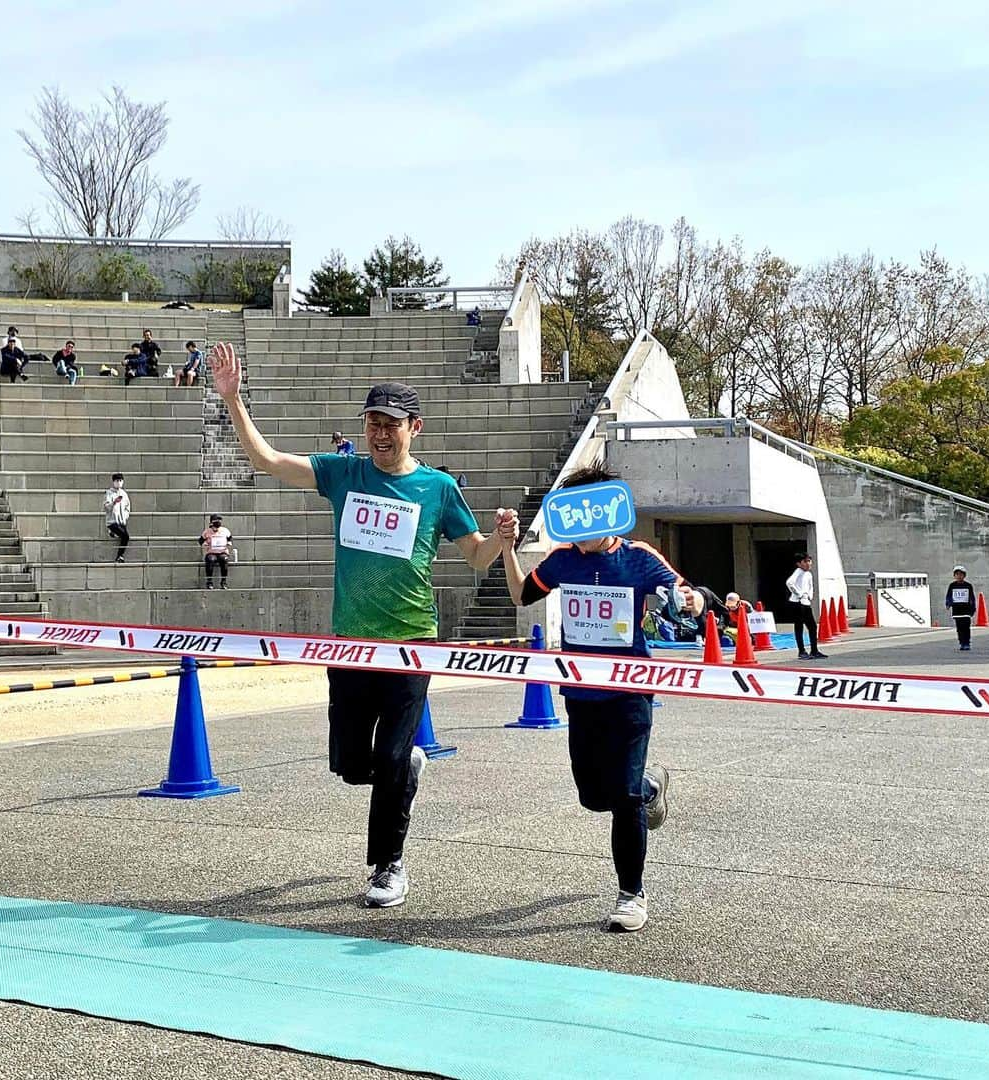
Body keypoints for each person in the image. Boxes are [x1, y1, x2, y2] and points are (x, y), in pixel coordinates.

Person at [211, 343, 513, 909]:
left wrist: (501, 539)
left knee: (393, 756)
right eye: (373, 423)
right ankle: (405, 773)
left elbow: (474, 555)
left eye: (391, 425)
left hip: (411, 644)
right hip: (350, 643)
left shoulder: (438, 488)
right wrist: (233, 400)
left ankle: (387, 867)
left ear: (414, 428)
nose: (380, 434)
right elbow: (268, 461)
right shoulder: (343, 474)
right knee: (351, 764)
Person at [498, 465, 682, 933]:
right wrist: (507, 547)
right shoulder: (563, 560)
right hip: (580, 694)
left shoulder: (637, 557)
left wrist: (694, 601)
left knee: (621, 798)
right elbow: (522, 595)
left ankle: (631, 894)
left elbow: (682, 591)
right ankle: (651, 788)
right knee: (593, 796)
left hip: (630, 693)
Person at [786, 552, 826, 659]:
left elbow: (810, 586)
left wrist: (809, 596)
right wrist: (799, 594)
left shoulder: (808, 574)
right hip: (797, 602)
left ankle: (814, 650)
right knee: (799, 626)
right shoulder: (798, 572)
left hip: (805, 602)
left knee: (812, 626)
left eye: (809, 561)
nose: (808, 563)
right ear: (799, 564)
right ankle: (802, 651)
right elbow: (789, 583)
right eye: (805, 561)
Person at [945, 565, 977, 651]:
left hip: (966, 610)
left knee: (966, 627)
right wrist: (948, 604)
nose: (959, 576)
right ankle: (962, 642)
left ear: (964, 575)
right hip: (957, 611)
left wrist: (973, 608)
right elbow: (949, 596)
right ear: (954, 576)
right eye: (957, 574)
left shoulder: (968, 585)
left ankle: (967, 643)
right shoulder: (952, 585)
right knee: (959, 628)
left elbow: (972, 598)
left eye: (961, 574)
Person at [199, 514, 233, 589]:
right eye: (216, 521)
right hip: (211, 552)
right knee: (210, 560)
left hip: (222, 552)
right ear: (211, 522)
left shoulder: (225, 530)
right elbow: (201, 540)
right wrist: (204, 544)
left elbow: (230, 538)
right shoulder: (207, 532)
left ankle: (223, 582)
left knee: (224, 559)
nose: (218, 522)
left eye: (219, 521)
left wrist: (229, 543)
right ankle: (209, 582)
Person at [103, 473, 131, 563]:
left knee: (126, 537)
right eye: (116, 481)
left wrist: (125, 517)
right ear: (113, 482)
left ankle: (120, 555)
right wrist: (114, 502)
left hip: (121, 522)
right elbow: (106, 507)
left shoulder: (124, 494)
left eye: (120, 481)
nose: (118, 482)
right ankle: (119, 556)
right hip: (112, 522)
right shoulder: (109, 493)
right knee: (125, 536)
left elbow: (127, 507)